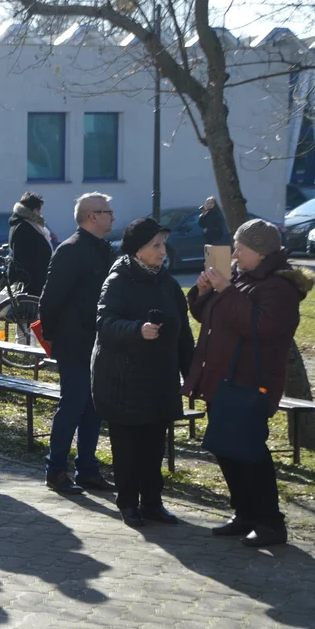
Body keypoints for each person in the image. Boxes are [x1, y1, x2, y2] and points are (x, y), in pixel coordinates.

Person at [184, 219, 314, 547]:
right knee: (228, 450)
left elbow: (260, 328)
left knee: (250, 452)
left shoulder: (279, 287)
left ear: (259, 252)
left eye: (240, 248)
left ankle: (271, 523)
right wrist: (203, 291)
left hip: (249, 382)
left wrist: (227, 290)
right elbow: (209, 316)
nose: (235, 253)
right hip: (222, 379)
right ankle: (245, 514)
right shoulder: (241, 277)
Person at [92, 218, 195, 527]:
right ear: (138, 250)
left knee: (153, 446)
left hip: (159, 379)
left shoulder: (168, 283)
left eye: (163, 245)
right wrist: (138, 330)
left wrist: (191, 374)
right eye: (156, 246)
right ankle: (128, 503)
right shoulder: (118, 281)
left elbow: (183, 331)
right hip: (122, 379)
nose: (163, 251)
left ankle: (152, 503)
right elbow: (104, 323)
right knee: (127, 447)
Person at [39, 192, 116, 494]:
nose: (112, 216)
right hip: (74, 343)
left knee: (93, 408)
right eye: (107, 211)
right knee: (72, 405)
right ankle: (56, 469)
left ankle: (88, 469)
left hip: (99, 342)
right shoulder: (70, 250)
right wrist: (55, 335)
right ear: (92, 215)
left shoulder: (103, 249)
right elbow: (51, 298)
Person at [8, 192, 53, 297]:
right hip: (33, 280)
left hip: (37, 277)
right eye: (39, 209)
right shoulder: (24, 226)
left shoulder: (23, 224)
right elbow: (23, 257)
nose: (40, 213)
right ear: (34, 210)